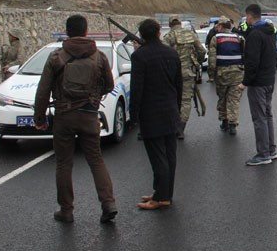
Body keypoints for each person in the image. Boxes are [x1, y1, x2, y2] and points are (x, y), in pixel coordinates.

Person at [33, 15, 117, 224]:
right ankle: (108, 204)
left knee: (63, 164)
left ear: (67, 31)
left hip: (64, 117)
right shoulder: (99, 57)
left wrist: (39, 117)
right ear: (86, 31)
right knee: (96, 160)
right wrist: (94, 96)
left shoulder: (55, 57)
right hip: (89, 115)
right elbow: (109, 85)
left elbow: (42, 92)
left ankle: (66, 210)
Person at [130, 18, 182, 210]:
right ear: (159, 33)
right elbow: (179, 85)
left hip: (151, 113)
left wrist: (133, 115)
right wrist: (176, 108)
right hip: (170, 110)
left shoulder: (139, 57)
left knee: (158, 157)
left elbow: (137, 89)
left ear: (142, 35)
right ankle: (164, 194)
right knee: (170, 156)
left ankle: (160, 197)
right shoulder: (172, 53)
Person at [238, 4, 277, 166]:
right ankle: (271, 150)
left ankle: (263, 154)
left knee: (259, 118)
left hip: (258, 83)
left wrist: (244, 83)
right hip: (269, 80)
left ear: (249, 16)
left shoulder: (255, 35)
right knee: (267, 115)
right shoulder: (270, 32)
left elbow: (252, 62)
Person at [163, 15, 206, 138]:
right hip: (188, 73)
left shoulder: (168, 37)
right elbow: (202, 51)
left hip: (172, 74)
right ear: (180, 23)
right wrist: (198, 62)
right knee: (186, 100)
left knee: (172, 99)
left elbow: (163, 54)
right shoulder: (191, 35)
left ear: (170, 24)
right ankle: (181, 128)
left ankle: (172, 125)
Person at [207, 16, 245, 135]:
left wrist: (211, 75)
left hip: (222, 74)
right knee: (234, 99)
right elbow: (245, 55)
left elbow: (212, 60)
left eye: (218, 25)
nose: (217, 27)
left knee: (223, 97)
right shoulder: (239, 38)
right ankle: (232, 124)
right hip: (237, 73)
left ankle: (224, 121)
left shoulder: (216, 38)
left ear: (221, 26)